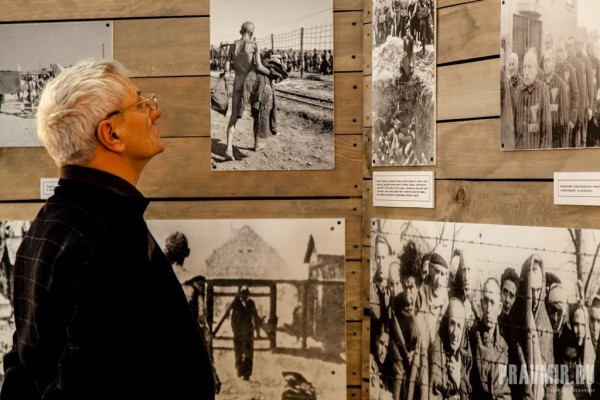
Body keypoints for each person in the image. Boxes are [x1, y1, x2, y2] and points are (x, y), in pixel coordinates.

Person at [0, 58, 216, 399]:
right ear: (111, 134)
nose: (155, 112)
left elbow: (23, 365)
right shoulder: (108, 240)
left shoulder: (51, 222)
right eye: (142, 104)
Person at [505, 254, 555, 400]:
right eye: (531, 289)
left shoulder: (546, 325)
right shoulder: (513, 323)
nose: (535, 296)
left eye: (539, 290)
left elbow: (551, 374)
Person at [222, 21, 271, 161]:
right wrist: (271, 73)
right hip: (251, 84)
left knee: (233, 117)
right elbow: (259, 66)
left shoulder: (233, 46)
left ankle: (229, 148)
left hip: (237, 83)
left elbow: (226, 67)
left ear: (241, 31)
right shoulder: (254, 45)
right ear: (252, 32)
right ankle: (257, 143)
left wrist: (228, 72)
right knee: (257, 111)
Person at [469, 278, 511, 400]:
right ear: (481, 303)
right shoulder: (471, 338)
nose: (488, 309)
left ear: (499, 308)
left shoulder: (504, 347)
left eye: (492, 303)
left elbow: (505, 392)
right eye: (486, 301)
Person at [430, 297, 472, 400]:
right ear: (446, 324)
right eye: (452, 323)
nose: (455, 333)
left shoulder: (465, 354)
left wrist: (459, 379)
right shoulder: (438, 351)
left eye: (459, 326)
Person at [513, 51, 552, 149]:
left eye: (529, 67)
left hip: (535, 149)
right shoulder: (518, 91)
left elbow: (546, 131)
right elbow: (513, 128)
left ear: (536, 70)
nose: (526, 72)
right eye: (524, 67)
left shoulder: (542, 89)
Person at [227, 285, 261, 380]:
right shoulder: (236, 303)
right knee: (238, 352)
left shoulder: (251, 303)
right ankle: (239, 369)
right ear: (240, 294)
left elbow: (255, 316)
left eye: (245, 294)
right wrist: (235, 330)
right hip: (238, 332)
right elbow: (231, 317)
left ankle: (247, 374)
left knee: (249, 353)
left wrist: (258, 329)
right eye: (242, 294)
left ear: (247, 294)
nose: (244, 296)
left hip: (248, 333)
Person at [555, 38, 580, 148]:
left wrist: (572, 120)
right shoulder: (553, 70)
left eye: (561, 50)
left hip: (567, 120)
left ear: (565, 52)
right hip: (555, 121)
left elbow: (576, 95)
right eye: (557, 51)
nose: (559, 54)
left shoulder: (570, 69)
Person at [543, 49, 570, 148]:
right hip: (543, 138)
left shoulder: (561, 84)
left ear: (554, 63)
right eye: (544, 61)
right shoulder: (541, 85)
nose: (545, 64)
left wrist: (564, 146)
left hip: (556, 139)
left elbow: (565, 119)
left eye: (548, 60)